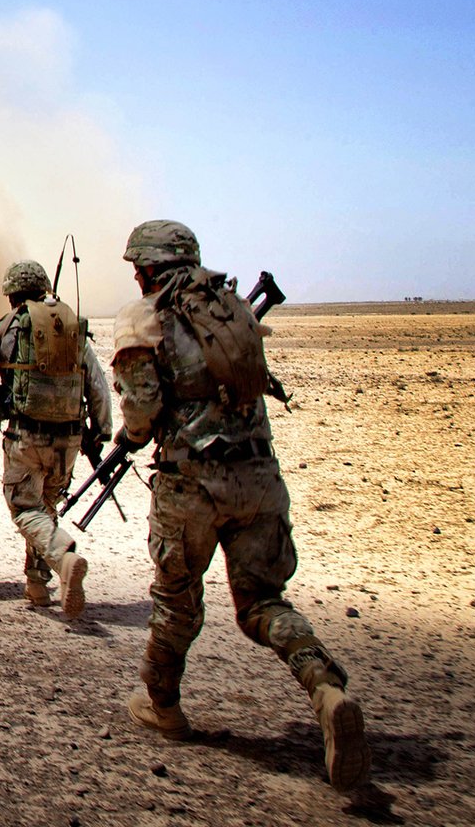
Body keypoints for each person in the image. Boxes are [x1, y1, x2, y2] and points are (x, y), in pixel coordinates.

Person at [110, 219, 369, 790]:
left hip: (192, 486)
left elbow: (141, 413)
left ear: (148, 267)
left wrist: (127, 439)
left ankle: (164, 706)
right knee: (262, 602)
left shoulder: (144, 316)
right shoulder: (234, 311)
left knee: (177, 601)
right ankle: (326, 688)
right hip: (259, 478)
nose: (134, 273)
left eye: (137, 265)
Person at [0, 259, 112, 618]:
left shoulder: (6, 327)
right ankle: (38, 585)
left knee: (25, 507)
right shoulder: (69, 325)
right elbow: (98, 385)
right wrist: (100, 431)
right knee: (46, 508)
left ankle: (63, 558)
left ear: (11, 295)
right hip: (69, 439)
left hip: (26, 436)